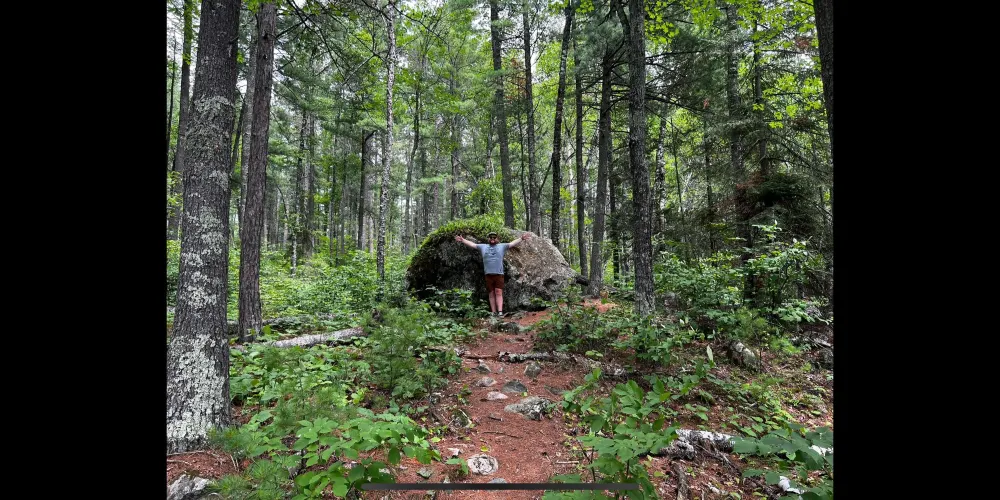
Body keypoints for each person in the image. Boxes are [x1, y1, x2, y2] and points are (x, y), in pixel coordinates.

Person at [455, 231, 532, 317]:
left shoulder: (501, 246)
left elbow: (511, 244)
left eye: (494, 237)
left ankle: (500, 312)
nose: (492, 239)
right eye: (491, 237)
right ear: (488, 238)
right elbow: (473, 244)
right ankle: (493, 312)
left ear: (497, 239)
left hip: (499, 274)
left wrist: (521, 238)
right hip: (488, 275)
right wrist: (463, 240)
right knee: (491, 294)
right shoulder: (483, 247)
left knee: (498, 292)